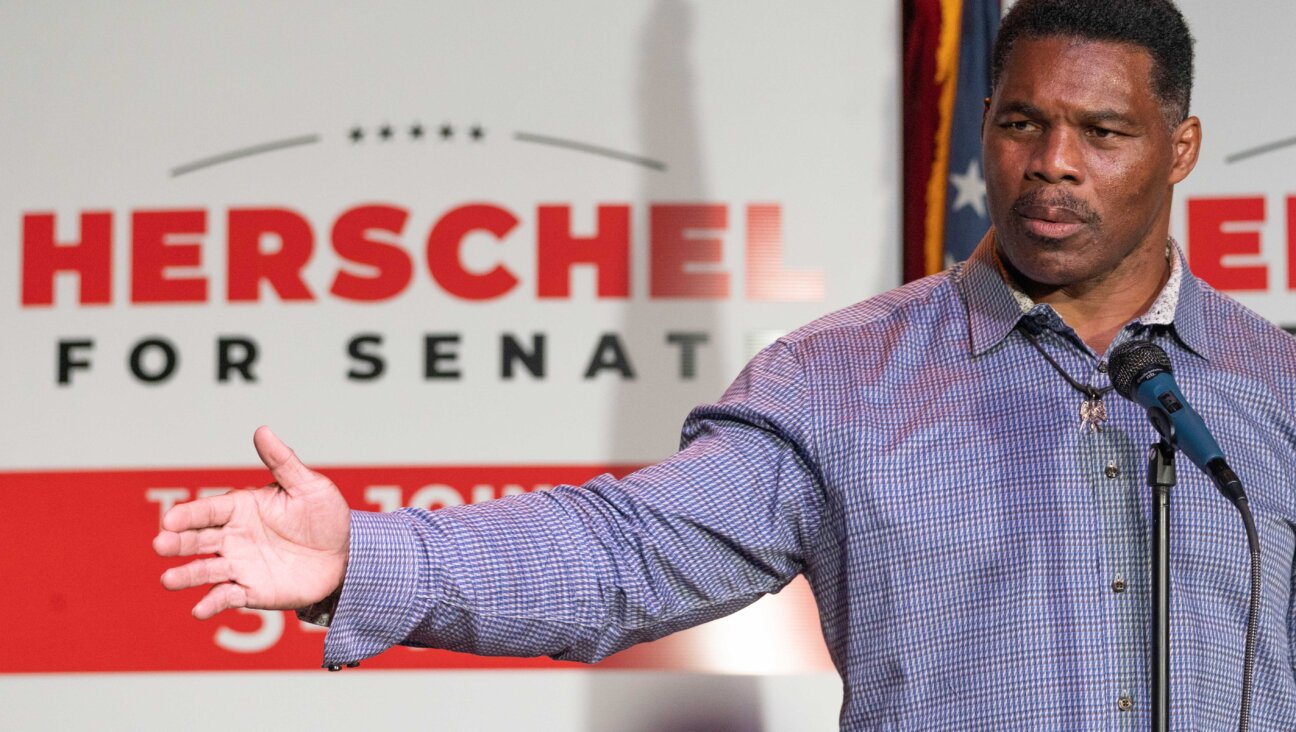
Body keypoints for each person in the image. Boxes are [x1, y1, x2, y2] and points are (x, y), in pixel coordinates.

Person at [154, 0, 1296, 727]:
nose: (1053, 166)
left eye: (1102, 133)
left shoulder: (1276, 387)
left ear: (1180, 146)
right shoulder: (846, 379)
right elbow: (625, 554)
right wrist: (367, 555)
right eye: (1018, 124)